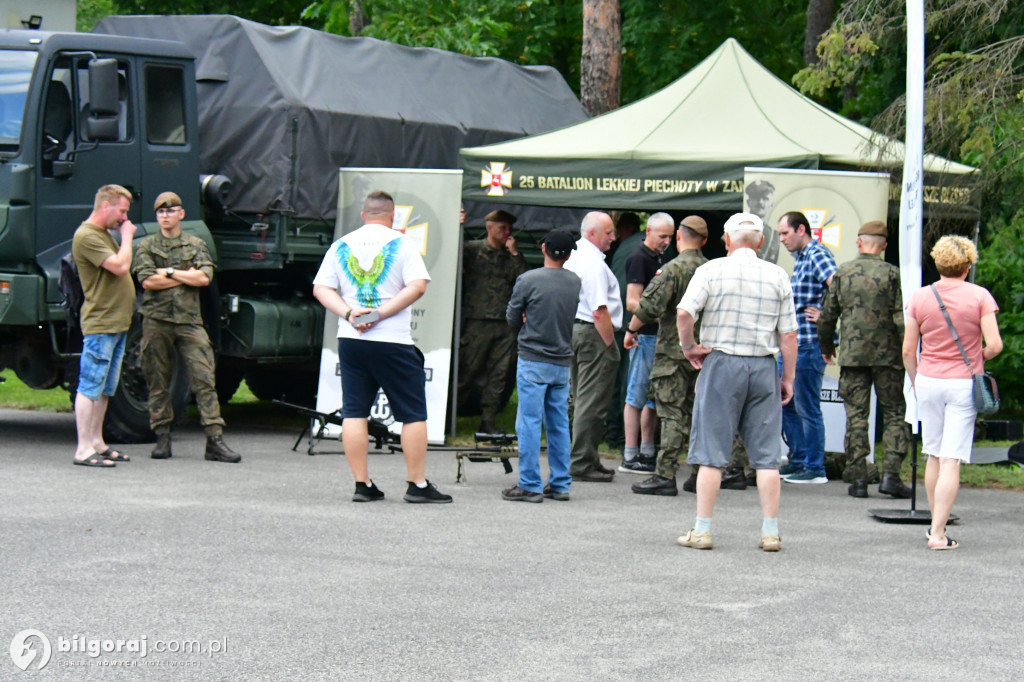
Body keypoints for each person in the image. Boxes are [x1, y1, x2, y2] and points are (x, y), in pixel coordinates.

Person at [313, 190, 452, 504]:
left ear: (363, 215)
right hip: (392, 340)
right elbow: (417, 286)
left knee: (354, 411)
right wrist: (380, 314)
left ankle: (362, 484)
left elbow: (320, 287)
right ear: (393, 217)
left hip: (350, 339)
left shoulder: (341, 245)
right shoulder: (401, 244)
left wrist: (350, 313)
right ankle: (417, 484)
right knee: (412, 413)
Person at [676, 212, 797, 551]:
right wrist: (788, 377)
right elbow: (788, 334)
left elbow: (684, 313)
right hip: (762, 366)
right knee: (767, 456)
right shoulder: (777, 275)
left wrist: (689, 347)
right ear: (760, 241)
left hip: (722, 361)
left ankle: (702, 530)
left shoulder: (711, 270)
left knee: (712, 452)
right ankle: (770, 531)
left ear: (727, 240)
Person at [904, 235, 1002, 550]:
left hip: (928, 381)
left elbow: (908, 350)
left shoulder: (920, 297)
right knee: (951, 459)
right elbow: (996, 345)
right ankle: (937, 533)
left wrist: (916, 378)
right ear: (968, 264)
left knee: (932, 454)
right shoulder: (980, 296)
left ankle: (937, 523)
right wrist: (977, 357)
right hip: (963, 382)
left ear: (937, 263)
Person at [133, 191, 241, 463]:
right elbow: (147, 281)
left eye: (171, 211)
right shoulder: (145, 245)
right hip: (157, 320)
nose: (165, 216)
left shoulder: (196, 244)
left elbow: (204, 277)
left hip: (190, 322)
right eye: (161, 212)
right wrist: (185, 276)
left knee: (204, 378)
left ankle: (214, 439)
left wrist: (167, 272)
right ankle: (162, 437)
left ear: (181, 214)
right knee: (157, 380)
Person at [818, 220, 909, 498]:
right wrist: (909, 350)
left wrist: (826, 346)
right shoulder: (893, 274)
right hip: (889, 357)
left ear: (859, 242)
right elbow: (901, 318)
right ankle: (891, 476)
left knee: (856, 416)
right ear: (884, 246)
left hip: (853, 356)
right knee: (894, 413)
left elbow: (827, 316)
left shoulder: (843, 273)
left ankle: (858, 479)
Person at [628, 216, 708, 496]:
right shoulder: (712, 270)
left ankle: (665, 474)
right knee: (698, 412)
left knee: (671, 413)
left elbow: (648, 307)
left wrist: (630, 330)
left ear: (678, 238)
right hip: (703, 353)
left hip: (673, 354)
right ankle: (699, 473)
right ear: (705, 241)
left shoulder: (672, 269)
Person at [501, 230, 581, 502]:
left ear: (543, 248)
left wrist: (525, 316)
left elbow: (512, 317)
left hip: (533, 357)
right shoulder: (574, 282)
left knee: (529, 422)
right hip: (561, 360)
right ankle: (560, 483)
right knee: (558, 424)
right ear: (569, 254)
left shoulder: (528, 279)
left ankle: (530, 483)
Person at [71, 185, 137, 468]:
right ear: (106, 205)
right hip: (101, 321)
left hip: (117, 321)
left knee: (106, 387)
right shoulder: (87, 236)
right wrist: (127, 237)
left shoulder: (103, 235)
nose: (124, 218)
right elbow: (120, 266)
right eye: (122, 211)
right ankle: (83, 448)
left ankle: (97, 441)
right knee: (90, 384)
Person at [776, 210, 836, 484]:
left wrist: (826, 315)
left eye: (785, 233)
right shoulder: (801, 259)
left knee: (807, 406)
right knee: (786, 402)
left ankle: (815, 467)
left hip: (809, 344)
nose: (782, 239)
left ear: (801, 230)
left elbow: (839, 289)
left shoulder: (817, 255)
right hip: (793, 344)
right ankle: (798, 459)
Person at [457, 209, 528, 433]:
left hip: (506, 324)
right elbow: (453, 256)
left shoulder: (512, 255)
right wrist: (458, 226)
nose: (507, 232)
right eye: (502, 228)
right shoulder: (472, 250)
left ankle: (488, 421)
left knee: (499, 374)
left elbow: (525, 281)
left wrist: (515, 253)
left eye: (509, 228)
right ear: (490, 228)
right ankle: (450, 416)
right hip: (478, 321)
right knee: (467, 371)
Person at [565, 211, 622, 482]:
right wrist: (609, 344)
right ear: (592, 234)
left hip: (575, 329)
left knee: (580, 397)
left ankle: (584, 456)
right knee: (592, 400)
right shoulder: (594, 263)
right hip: (593, 331)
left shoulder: (575, 256)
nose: (614, 237)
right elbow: (599, 310)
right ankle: (582, 462)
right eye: (608, 232)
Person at [619, 212, 675, 474]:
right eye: (662, 236)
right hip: (645, 335)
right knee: (637, 395)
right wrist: (659, 312)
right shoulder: (639, 258)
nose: (666, 241)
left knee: (652, 396)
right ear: (649, 231)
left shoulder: (660, 258)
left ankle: (647, 450)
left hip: (659, 335)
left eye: (670, 237)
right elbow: (632, 301)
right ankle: (630, 454)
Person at [604, 211, 643, 449]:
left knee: (616, 380)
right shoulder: (640, 249)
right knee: (629, 380)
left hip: (616, 320)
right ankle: (621, 435)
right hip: (633, 324)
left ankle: (614, 432)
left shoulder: (621, 250)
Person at [745, 179, 780, 263]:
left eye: (765, 198)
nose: (760, 202)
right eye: (756, 198)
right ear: (748, 202)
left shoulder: (774, 236)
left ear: (771, 205)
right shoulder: (737, 230)